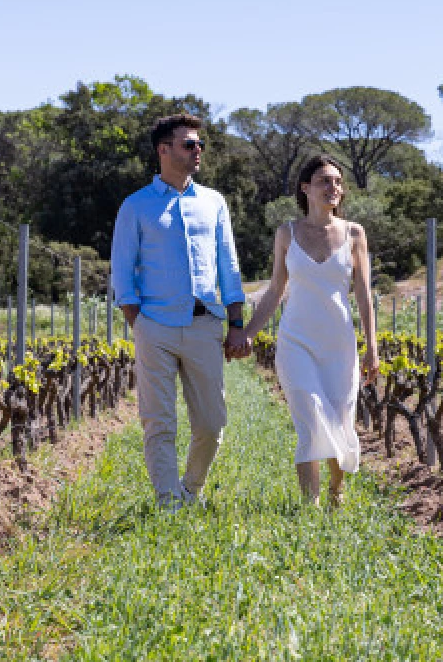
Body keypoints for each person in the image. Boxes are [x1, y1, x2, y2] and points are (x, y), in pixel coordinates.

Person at [111, 113, 251, 509]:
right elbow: (122, 271)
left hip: (205, 324)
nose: (198, 151)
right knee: (159, 421)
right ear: (164, 150)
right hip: (154, 325)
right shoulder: (135, 206)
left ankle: (190, 488)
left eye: (199, 145)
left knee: (212, 423)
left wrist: (237, 323)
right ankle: (169, 502)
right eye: (189, 144)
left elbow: (230, 267)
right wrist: (138, 323)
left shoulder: (214, 203)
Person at [242, 154, 379, 506]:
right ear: (306, 188)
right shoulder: (286, 233)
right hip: (296, 341)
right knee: (309, 417)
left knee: (338, 419)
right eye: (324, 181)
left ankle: (337, 491)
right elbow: (274, 292)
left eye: (337, 181)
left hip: (340, 345)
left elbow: (363, 294)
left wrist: (372, 348)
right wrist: (247, 333)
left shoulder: (354, 233)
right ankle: (310, 506)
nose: (333, 187)